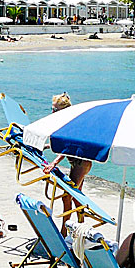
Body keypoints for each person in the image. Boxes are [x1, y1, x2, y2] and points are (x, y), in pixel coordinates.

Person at [43, 93, 93, 235]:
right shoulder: (65, 121)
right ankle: (81, 227)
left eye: (55, 110)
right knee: (76, 197)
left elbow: (67, 147)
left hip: (81, 163)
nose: (53, 112)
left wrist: (54, 162)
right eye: (52, 109)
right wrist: (47, 146)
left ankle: (64, 232)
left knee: (67, 196)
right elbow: (64, 145)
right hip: (77, 163)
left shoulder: (70, 123)